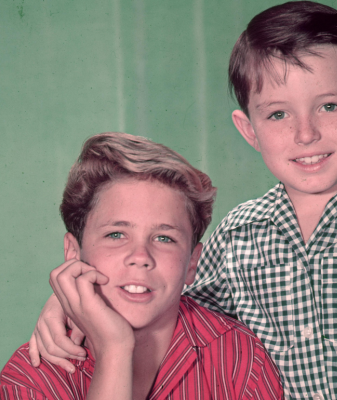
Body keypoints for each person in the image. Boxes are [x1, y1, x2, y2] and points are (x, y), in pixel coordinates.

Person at [22, 1, 337, 399]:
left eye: (329, 106)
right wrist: (69, 301)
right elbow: (159, 296)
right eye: (277, 115)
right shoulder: (238, 237)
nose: (305, 134)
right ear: (249, 129)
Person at [0, 132, 282, 400]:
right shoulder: (30, 378)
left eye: (164, 238)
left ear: (192, 263)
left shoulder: (238, 359)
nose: (140, 255)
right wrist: (115, 350)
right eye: (116, 235)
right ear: (74, 253)